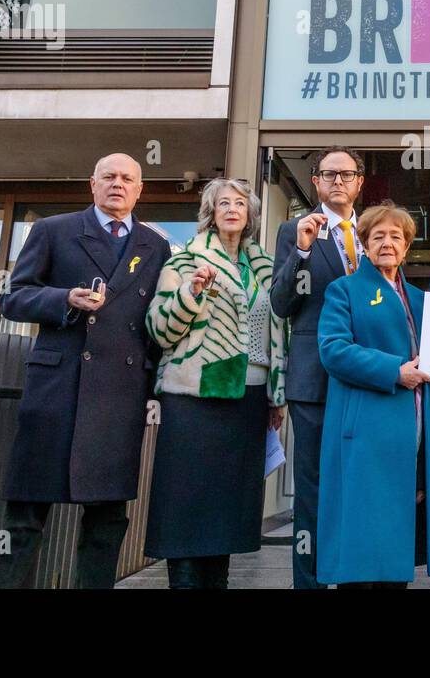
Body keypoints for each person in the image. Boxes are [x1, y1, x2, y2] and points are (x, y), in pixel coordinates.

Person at [0, 153, 171, 588]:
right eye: (109, 176)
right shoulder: (54, 230)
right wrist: (62, 301)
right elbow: (12, 299)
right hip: (57, 389)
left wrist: (153, 388)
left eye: (128, 178)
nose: (118, 184)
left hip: (120, 394)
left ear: (139, 190)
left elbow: (155, 323)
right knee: (24, 516)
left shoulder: (156, 246)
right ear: (92, 184)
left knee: (108, 521)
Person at [142, 178, 287, 588]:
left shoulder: (264, 268)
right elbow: (159, 331)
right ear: (210, 212)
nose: (232, 209)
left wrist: (277, 394)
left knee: (226, 512)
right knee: (186, 508)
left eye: (240, 203)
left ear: (250, 215)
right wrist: (191, 293)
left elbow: (278, 335)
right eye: (223, 203)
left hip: (249, 400)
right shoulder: (183, 262)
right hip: (194, 398)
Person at [316, 202, 430, 587]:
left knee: (396, 551)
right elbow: (333, 349)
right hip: (366, 435)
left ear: (407, 246)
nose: (387, 243)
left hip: (414, 437)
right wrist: (394, 372)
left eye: (396, 236)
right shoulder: (343, 290)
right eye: (378, 236)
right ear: (363, 243)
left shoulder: (420, 297)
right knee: (364, 550)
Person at [270, 145, 365, 589]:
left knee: (358, 486)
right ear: (316, 183)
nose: (339, 181)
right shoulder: (295, 230)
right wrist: (302, 253)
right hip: (315, 381)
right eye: (329, 174)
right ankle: (309, 582)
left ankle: (351, 576)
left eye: (347, 174)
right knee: (313, 492)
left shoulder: (373, 232)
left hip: (368, 380)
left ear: (360, 182)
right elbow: (281, 302)